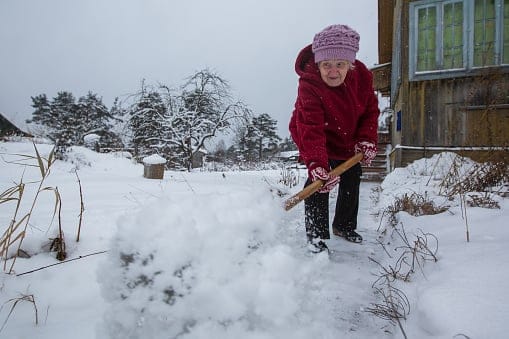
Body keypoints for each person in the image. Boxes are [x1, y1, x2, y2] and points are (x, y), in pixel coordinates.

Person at [289, 24, 380, 253]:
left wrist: (366, 139)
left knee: (352, 175)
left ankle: (344, 225)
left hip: (346, 136)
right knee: (318, 183)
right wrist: (317, 164)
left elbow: (370, 111)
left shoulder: (362, 78)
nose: (332, 71)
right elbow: (311, 127)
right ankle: (316, 238)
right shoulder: (309, 85)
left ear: (350, 64)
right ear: (318, 64)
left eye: (339, 64)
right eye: (326, 65)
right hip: (312, 133)